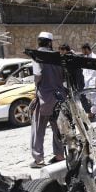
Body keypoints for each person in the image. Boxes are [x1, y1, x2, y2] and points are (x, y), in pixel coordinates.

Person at [30, 31, 65, 168]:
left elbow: (37, 74)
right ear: (50, 42)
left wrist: (38, 86)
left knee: (38, 129)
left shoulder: (38, 55)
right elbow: (62, 76)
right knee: (58, 129)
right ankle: (60, 155)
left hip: (44, 97)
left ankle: (39, 159)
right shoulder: (56, 56)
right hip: (59, 97)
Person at [80, 42, 96, 118]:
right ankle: (90, 113)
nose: (83, 52)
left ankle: (92, 114)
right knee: (87, 98)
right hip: (86, 81)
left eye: (83, 50)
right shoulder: (85, 57)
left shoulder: (94, 57)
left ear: (87, 49)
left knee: (94, 99)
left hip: (93, 81)